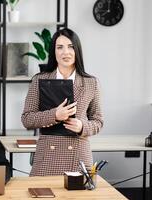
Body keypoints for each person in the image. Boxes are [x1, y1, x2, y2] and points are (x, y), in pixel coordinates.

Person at [21, 28, 103, 176]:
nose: (66, 52)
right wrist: (55, 115)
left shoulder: (92, 83)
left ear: (77, 50)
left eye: (71, 46)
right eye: (60, 47)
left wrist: (82, 126)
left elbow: (98, 121)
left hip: (79, 154)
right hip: (47, 156)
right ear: (54, 52)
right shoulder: (39, 80)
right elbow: (27, 119)